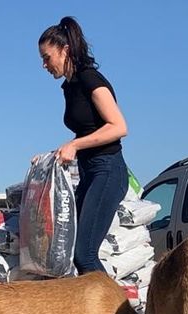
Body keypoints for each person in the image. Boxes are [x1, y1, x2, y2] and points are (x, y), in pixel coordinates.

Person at [38, 16, 129, 274]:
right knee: (68, 248)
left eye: (47, 57)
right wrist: (48, 158)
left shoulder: (90, 79)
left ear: (64, 50)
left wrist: (75, 144)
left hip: (108, 170)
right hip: (91, 172)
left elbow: (119, 126)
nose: (44, 65)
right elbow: (84, 133)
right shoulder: (70, 87)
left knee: (84, 254)